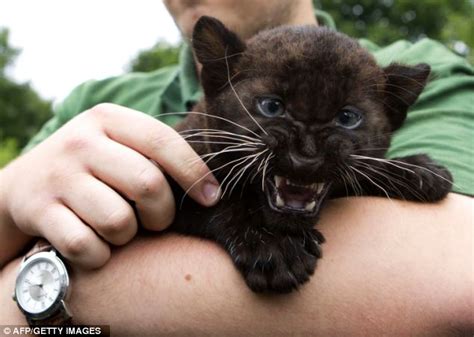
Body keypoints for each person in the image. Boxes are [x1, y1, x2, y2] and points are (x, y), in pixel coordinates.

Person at [0, 0, 472, 335]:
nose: (306, 149)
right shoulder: (90, 106)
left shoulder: (429, 65)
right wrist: (9, 197)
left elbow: (450, 284)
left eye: (346, 119)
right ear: (217, 80)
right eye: (270, 107)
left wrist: (30, 296)